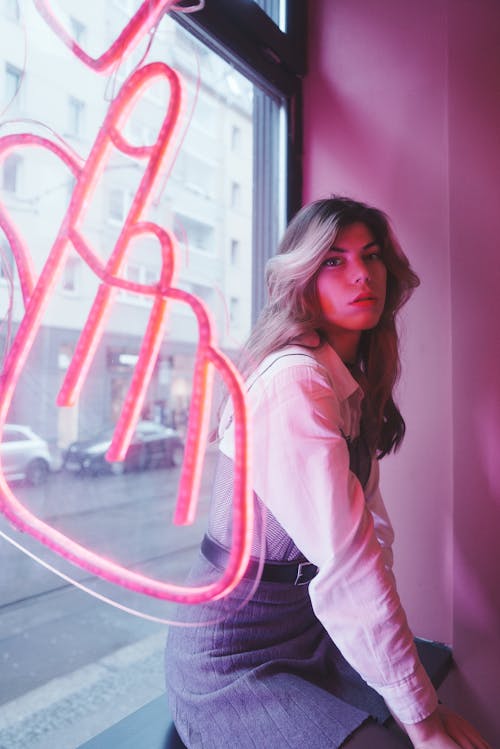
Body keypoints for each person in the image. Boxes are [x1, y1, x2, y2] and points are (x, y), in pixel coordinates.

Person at [165, 197, 490, 749]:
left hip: (309, 631)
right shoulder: (295, 381)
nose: (362, 273)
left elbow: (372, 540)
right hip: (234, 655)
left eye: (371, 255)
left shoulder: (342, 379)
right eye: (334, 260)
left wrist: (417, 700)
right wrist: (424, 720)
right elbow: (349, 566)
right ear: (301, 278)